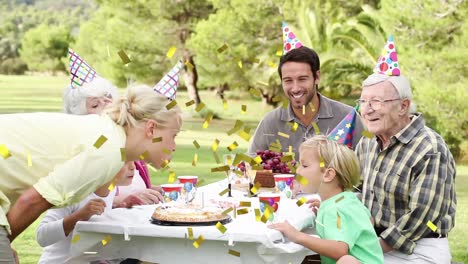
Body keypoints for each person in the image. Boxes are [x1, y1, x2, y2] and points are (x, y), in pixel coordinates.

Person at [0, 85, 182, 262]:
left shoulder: (109, 137)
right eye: (173, 136)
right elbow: (31, 201)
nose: (174, 146)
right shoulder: (108, 150)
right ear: (151, 129)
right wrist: (6, 244)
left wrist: (7, 243)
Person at [356, 72, 456, 263]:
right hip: (374, 239)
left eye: (376, 101)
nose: (367, 110)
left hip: (420, 247)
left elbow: (422, 216)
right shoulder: (367, 142)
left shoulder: (430, 148)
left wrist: (370, 248)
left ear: (403, 106)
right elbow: (356, 188)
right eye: (363, 101)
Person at [270, 135, 383, 264]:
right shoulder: (347, 200)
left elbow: (339, 251)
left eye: (305, 166)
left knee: (347, 261)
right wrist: (326, 214)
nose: (298, 170)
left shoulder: (336, 209)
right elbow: (369, 221)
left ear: (328, 174)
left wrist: (297, 236)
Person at [248, 46, 364, 159]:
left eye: (302, 79)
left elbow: (366, 166)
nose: (295, 88)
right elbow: (251, 167)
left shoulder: (348, 117)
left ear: (317, 77)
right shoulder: (270, 123)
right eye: (288, 80)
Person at [62, 79, 163, 207]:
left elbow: (133, 186)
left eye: (108, 98)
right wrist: (124, 201)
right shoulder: (84, 152)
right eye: (95, 105)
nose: (107, 105)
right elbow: (79, 202)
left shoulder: (127, 142)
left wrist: (155, 190)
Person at [37, 161, 135, 263]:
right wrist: (80, 216)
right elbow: (42, 236)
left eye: (134, 160)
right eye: (125, 162)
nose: (133, 166)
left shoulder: (111, 189)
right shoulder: (74, 191)